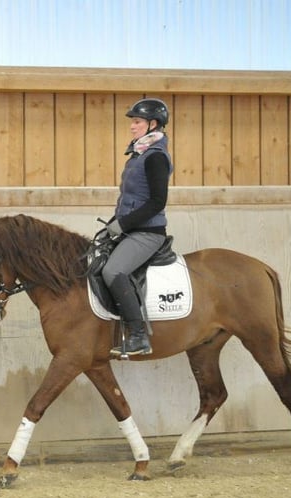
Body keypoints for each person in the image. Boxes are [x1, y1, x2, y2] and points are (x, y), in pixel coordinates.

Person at [100, 97, 173, 356]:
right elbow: (129, 199)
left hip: (148, 233)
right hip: (131, 229)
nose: (132, 126)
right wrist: (113, 223)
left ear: (153, 124)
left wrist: (124, 224)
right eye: (133, 122)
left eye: (137, 121)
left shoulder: (156, 157)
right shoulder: (138, 155)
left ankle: (138, 335)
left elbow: (157, 202)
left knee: (112, 271)